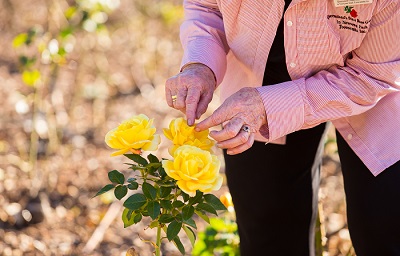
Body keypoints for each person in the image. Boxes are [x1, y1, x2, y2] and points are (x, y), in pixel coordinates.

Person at [165, 0, 400, 255]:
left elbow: (373, 76)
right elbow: (207, 7)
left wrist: (270, 106)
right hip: (259, 77)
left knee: (386, 231)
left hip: (376, 83)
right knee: (270, 235)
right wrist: (200, 64)